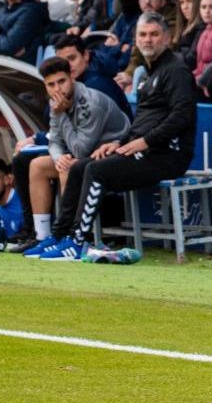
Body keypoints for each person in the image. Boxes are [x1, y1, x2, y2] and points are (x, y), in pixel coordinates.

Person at [32, 14, 197, 260]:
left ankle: (78, 241)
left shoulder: (176, 71)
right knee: (79, 167)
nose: (148, 40)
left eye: (154, 34)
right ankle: (59, 235)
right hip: (144, 150)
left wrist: (145, 141)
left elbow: (183, 116)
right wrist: (117, 143)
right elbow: (142, 122)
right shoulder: (148, 73)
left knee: (96, 170)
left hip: (168, 155)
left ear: (166, 38)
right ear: (136, 39)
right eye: (142, 35)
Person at [8, 56, 130, 254]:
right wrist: (58, 158)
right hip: (87, 154)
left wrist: (60, 114)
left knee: (69, 169)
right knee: (38, 166)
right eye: (51, 85)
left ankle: (68, 236)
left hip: (114, 153)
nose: (57, 89)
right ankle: (42, 236)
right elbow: (54, 141)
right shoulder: (57, 103)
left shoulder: (90, 103)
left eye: (62, 81)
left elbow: (80, 150)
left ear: (72, 77)